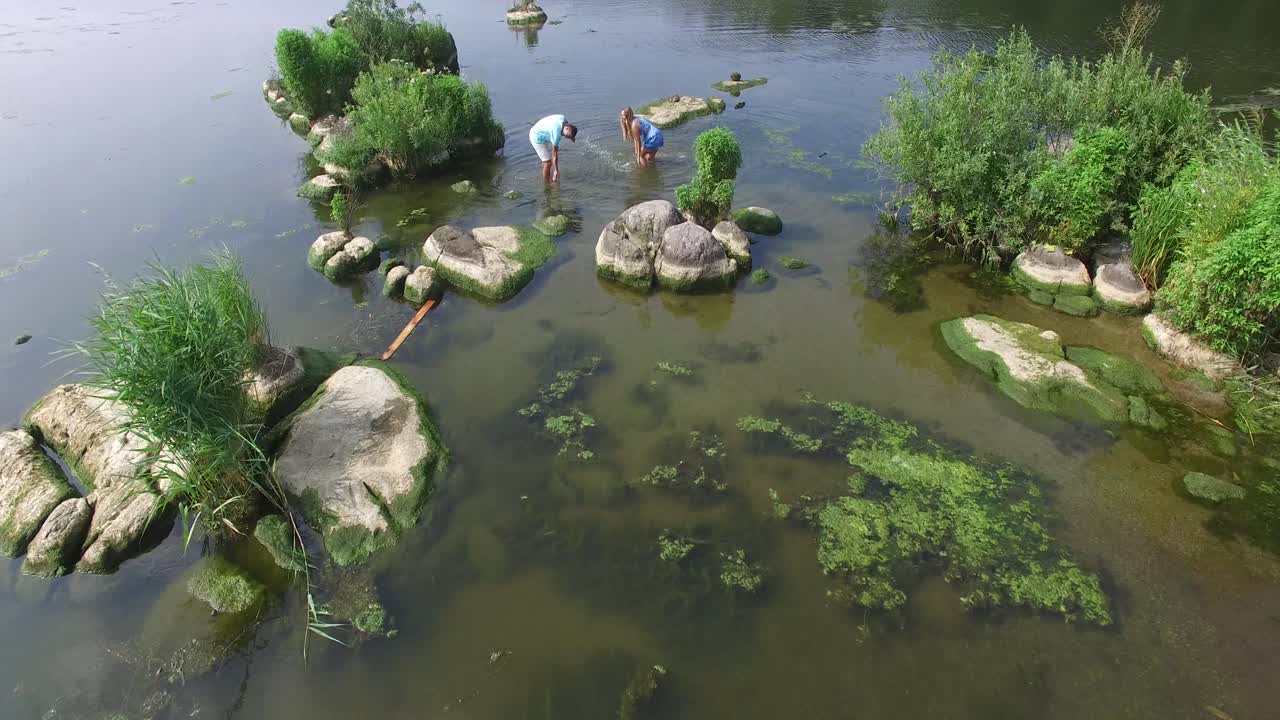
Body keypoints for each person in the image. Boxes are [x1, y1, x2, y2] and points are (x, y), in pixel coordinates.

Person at [529, 114, 577, 182]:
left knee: (546, 160)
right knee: (547, 162)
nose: (566, 137)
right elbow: (554, 154)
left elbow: (569, 127)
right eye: (567, 136)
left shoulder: (563, 118)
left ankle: (547, 174)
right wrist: (556, 170)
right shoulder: (556, 134)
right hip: (536, 137)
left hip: (541, 129)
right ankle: (546, 183)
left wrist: (572, 137)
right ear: (566, 128)